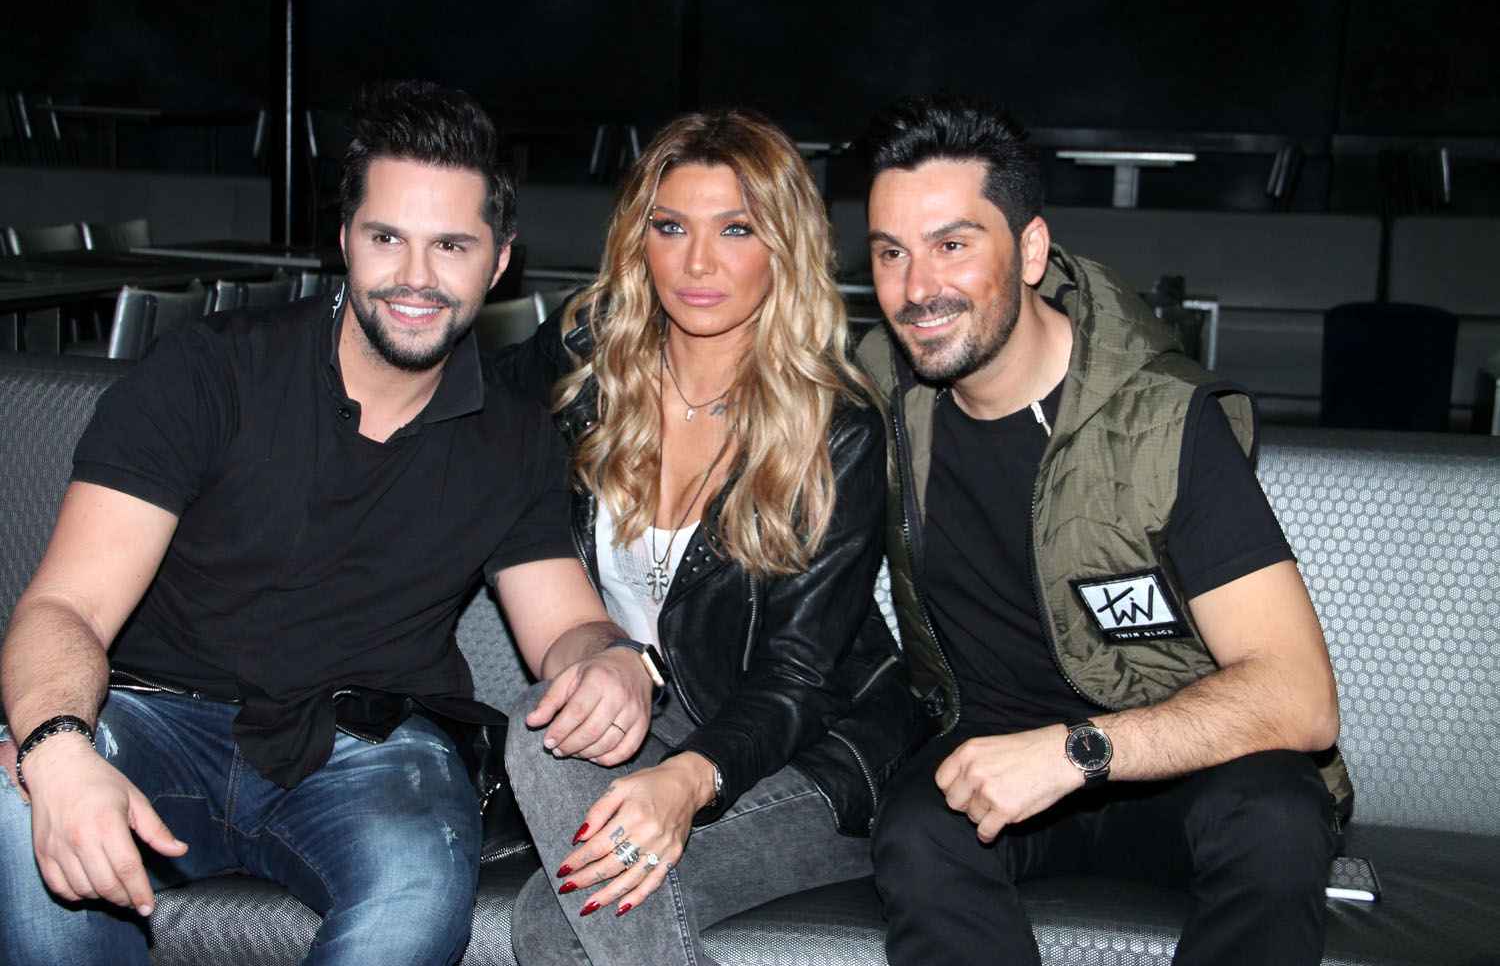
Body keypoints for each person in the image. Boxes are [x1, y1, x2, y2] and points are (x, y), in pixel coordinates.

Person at [0, 80, 634, 966]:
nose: (416, 277)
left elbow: (566, 628)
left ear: (499, 263)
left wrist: (610, 661)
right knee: (17, 802)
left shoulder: (512, 437)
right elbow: (64, 607)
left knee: (416, 889)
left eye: (451, 246)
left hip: (368, 752)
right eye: (387, 238)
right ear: (345, 241)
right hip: (156, 722)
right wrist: (60, 746)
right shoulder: (210, 373)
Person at [855, 95, 1352, 966]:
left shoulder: (1162, 421)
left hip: (1181, 770)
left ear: (1031, 251)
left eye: (953, 245)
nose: (917, 287)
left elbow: (1301, 697)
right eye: (891, 253)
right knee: (914, 833)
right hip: (995, 763)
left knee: (1276, 815)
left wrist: (1079, 751)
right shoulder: (881, 392)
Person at [494, 109, 920, 966]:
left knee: (555, 919)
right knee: (535, 732)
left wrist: (687, 782)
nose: (697, 263)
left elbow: (798, 679)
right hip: (653, 722)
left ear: (785, 247)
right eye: (670, 227)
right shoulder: (587, 370)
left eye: (735, 229)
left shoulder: (834, 427)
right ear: (638, 241)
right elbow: (454, 404)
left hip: (812, 755)